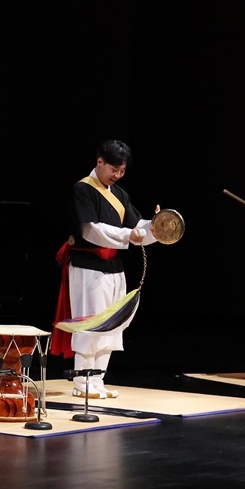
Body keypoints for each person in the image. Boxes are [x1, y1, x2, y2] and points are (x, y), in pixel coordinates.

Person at [56, 139, 158, 399]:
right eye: (114, 169)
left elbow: (138, 227)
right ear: (99, 162)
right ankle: (82, 383)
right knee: (92, 323)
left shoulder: (119, 194)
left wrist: (157, 226)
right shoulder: (83, 189)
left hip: (115, 268)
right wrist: (129, 235)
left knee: (112, 325)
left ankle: (98, 381)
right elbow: (91, 230)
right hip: (89, 267)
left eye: (122, 171)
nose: (117, 175)